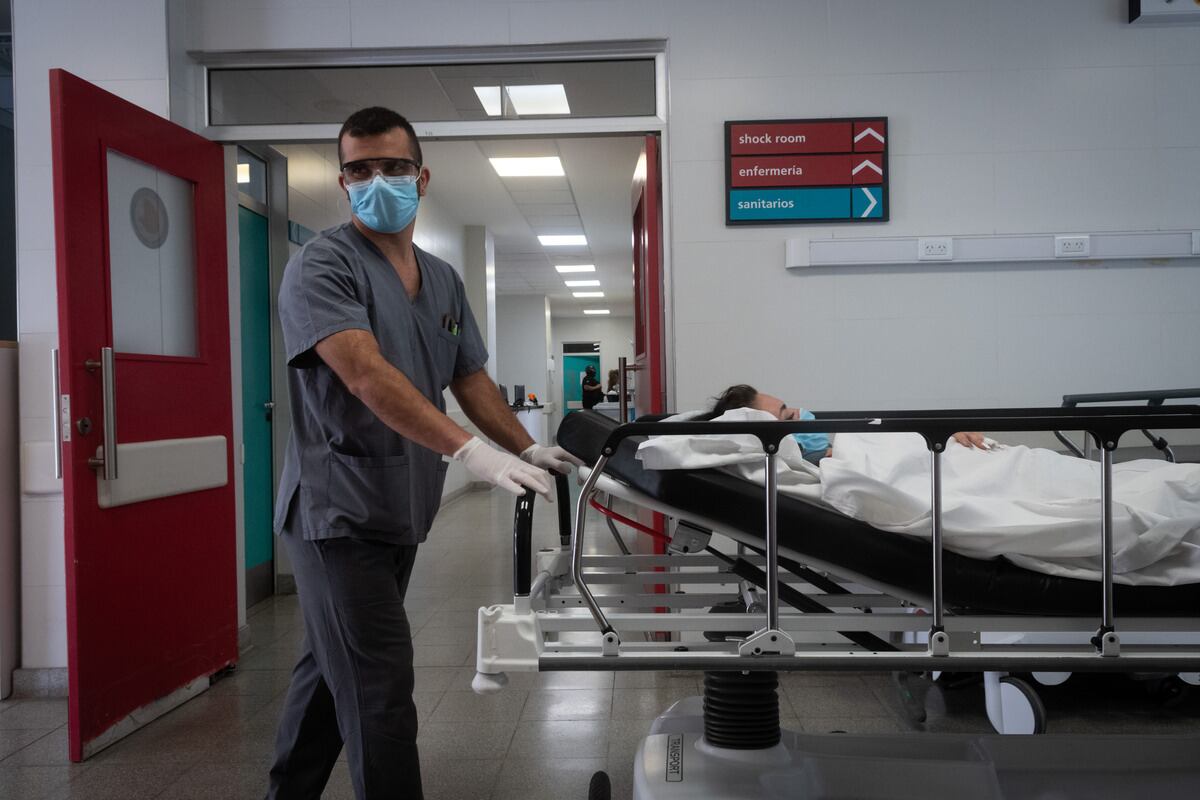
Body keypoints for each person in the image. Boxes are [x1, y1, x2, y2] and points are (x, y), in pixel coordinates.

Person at [267, 106, 583, 800]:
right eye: (359, 169)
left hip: (401, 509)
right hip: (337, 515)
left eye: (394, 167)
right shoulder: (322, 265)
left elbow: (467, 375)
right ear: (343, 180)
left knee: (332, 672)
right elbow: (364, 373)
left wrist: (529, 446)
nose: (377, 180)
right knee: (380, 684)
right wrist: (472, 452)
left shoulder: (441, 279)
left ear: (422, 177)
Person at [709, 384, 988, 464]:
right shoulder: (838, 465)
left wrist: (944, 437)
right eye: (787, 416)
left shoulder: (847, 443)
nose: (799, 412)